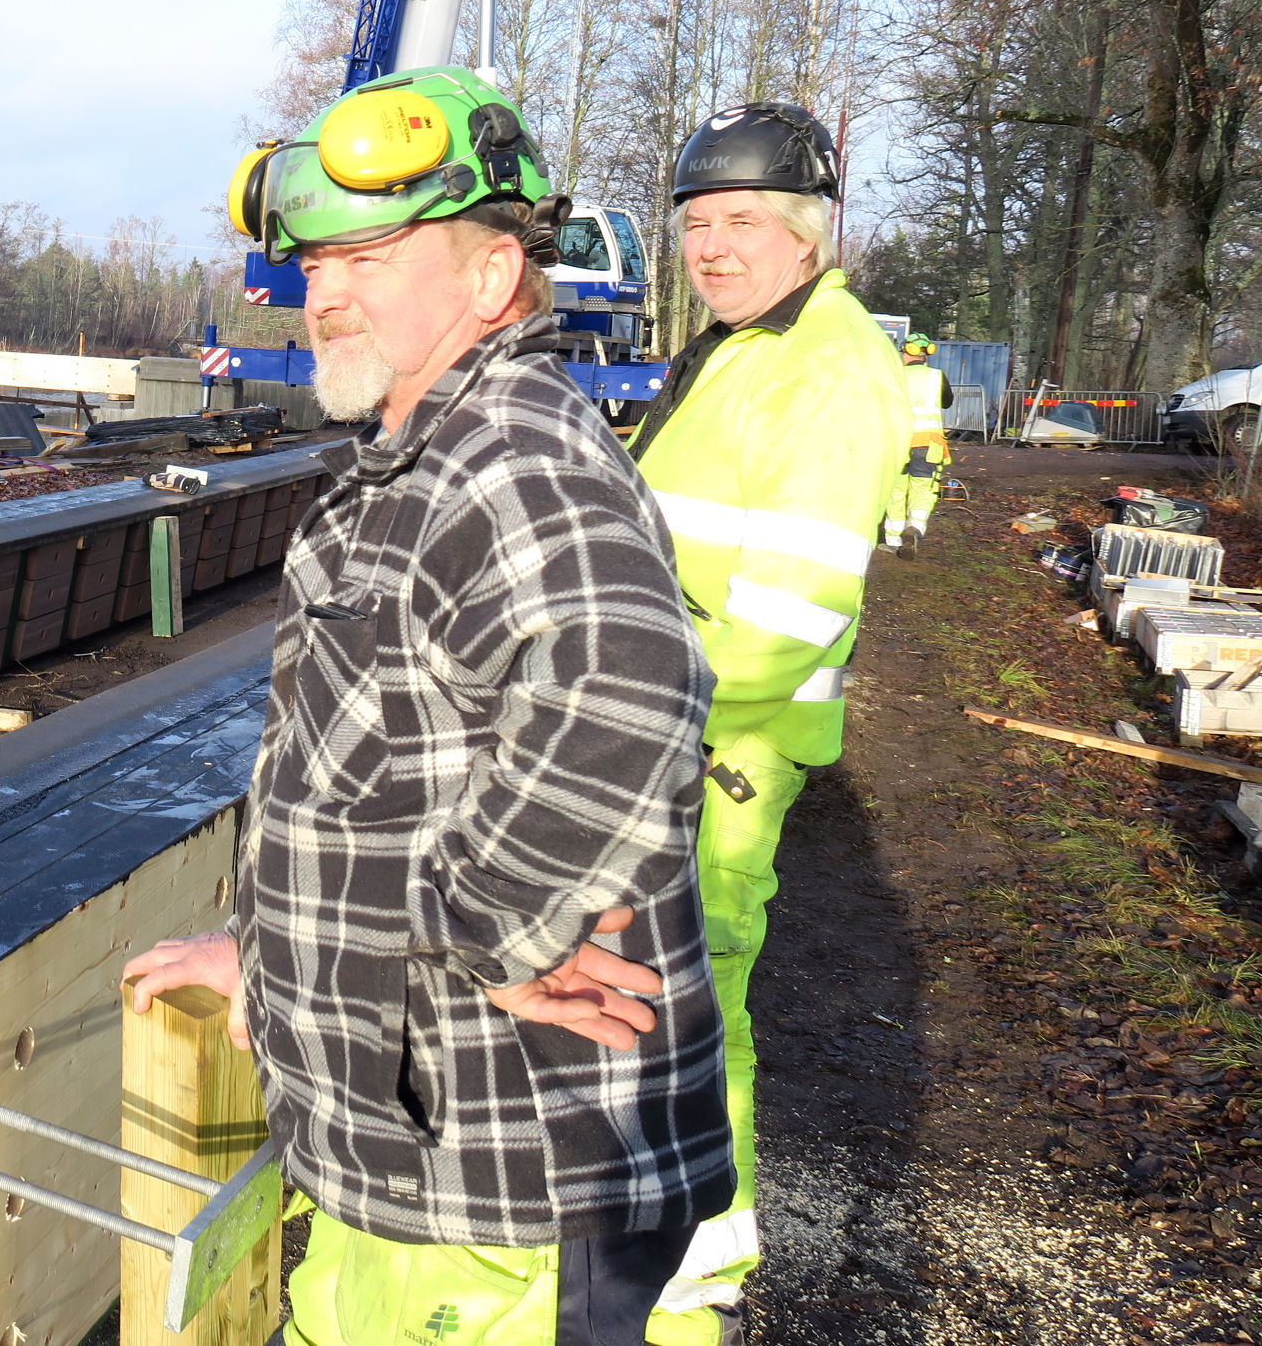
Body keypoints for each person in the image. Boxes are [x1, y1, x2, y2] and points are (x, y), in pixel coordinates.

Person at [130, 67, 734, 1345]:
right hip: (413, 1157)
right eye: (315, 260)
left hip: (514, 1185)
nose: (325, 293)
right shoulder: (418, 457)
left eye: (373, 256)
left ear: (489, 277)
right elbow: (367, 765)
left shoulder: (508, 455)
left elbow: (627, 687)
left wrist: (498, 928)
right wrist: (267, 954)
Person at [627, 102, 911, 1342]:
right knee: (660, 1001)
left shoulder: (827, 369)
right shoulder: (749, 342)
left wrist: (626, 724)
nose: (711, 246)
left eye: (741, 221)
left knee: (676, 1009)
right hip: (687, 732)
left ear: (807, 232)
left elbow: (783, 618)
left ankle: (686, 1272)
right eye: (694, 223)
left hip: (717, 750)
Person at [885, 333, 953, 557]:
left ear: (905, 352)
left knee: (895, 490)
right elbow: (947, 402)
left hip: (897, 442)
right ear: (926, 355)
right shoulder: (936, 376)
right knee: (922, 488)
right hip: (928, 444)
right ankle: (914, 529)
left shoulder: (894, 375)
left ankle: (893, 540)